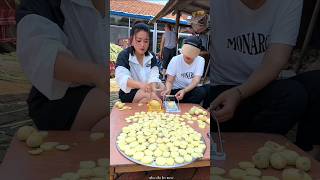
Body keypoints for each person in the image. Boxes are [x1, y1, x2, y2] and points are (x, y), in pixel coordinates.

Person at [204, 0, 306, 136]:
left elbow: (276, 60)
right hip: (222, 88)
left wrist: (239, 93)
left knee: (294, 94)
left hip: (261, 86)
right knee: (215, 136)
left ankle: (258, 148)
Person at [16, 0, 107, 131]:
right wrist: (98, 75)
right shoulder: (43, 5)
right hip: (60, 96)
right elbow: (44, 55)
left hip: (102, 89)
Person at [115, 23, 164, 103]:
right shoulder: (124, 55)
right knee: (148, 96)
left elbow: (154, 76)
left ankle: (140, 107)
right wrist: (141, 85)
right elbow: (122, 78)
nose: (142, 45)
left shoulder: (152, 56)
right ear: (131, 40)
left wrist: (154, 89)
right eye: (138, 41)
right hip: (129, 92)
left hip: (148, 90)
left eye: (146, 41)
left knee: (161, 90)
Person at [161, 36, 206, 104]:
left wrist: (184, 91)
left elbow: (196, 81)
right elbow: (169, 81)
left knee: (202, 91)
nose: (188, 56)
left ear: (198, 53)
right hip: (175, 91)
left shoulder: (200, 60)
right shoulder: (175, 59)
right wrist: (168, 89)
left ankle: (188, 106)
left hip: (189, 90)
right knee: (166, 96)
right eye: (187, 52)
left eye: (192, 53)